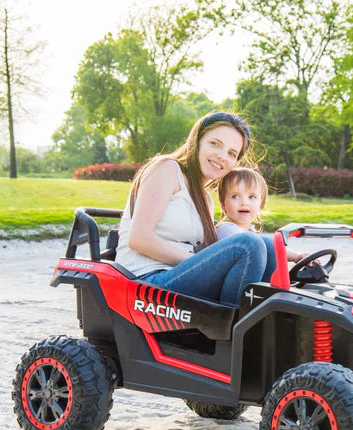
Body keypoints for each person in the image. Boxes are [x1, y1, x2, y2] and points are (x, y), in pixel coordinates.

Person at [114, 112, 268, 306]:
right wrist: (194, 261)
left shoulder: (205, 199)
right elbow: (139, 238)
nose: (222, 156)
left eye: (231, 153)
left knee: (265, 246)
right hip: (147, 280)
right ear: (197, 140)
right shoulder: (168, 169)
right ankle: (233, 332)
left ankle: (267, 325)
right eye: (215, 144)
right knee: (248, 244)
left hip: (177, 275)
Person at [216, 167, 310, 274]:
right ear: (223, 204)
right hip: (230, 281)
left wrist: (296, 256)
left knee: (267, 245)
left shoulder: (248, 230)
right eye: (235, 196)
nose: (244, 203)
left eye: (251, 197)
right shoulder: (226, 228)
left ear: (261, 205)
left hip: (245, 275)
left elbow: (271, 249)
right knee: (265, 243)